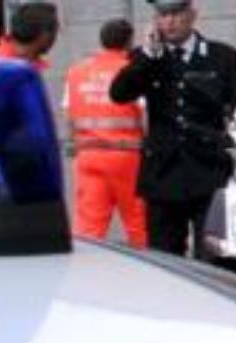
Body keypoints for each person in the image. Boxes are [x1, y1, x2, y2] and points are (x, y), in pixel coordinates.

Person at [109, 0, 236, 256]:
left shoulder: (222, 57)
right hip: (164, 172)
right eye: (163, 15)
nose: (169, 22)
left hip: (208, 169)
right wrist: (149, 56)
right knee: (165, 257)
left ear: (192, 15)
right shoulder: (148, 57)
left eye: (176, 14)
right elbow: (119, 94)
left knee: (214, 254)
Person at [63, 19, 148, 248]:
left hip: (88, 156)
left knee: (89, 229)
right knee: (139, 224)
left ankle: (84, 276)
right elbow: (145, 116)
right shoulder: (132, 71)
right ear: (129, 41)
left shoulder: (77, 72)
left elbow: (69, 116)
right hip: (127, 157)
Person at [0, 2, 59, 72]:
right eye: (56, 29)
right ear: (44, 36)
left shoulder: (24, 62)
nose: (56, 36)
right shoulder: (3, 68)